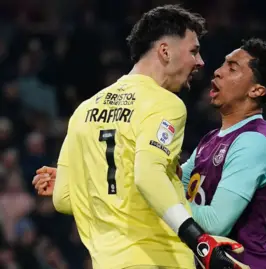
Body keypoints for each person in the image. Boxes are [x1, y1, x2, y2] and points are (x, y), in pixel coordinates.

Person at [32, 5, 249, 269]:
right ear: (165, 52)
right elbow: (148, 175)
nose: (200, 61)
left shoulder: (84, 110)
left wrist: (89, 179)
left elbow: (64, 198)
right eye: (193, 50)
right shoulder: (165, 104)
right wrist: (199, 241)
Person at [181, 38, 266, 269]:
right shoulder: (210, 140)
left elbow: (215, 223)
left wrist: (162, 201)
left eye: (232, 68)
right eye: (222, 65)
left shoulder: (254, 141)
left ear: (256, 90)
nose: (218, 72)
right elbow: (175, 184)